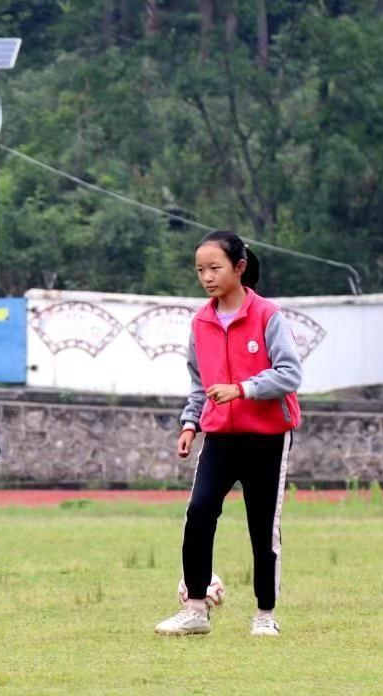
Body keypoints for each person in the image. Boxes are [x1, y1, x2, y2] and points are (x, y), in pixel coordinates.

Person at [155, 231, 302, 638]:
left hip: (268, 437)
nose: (206, 276)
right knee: (199, 513)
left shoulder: (268, 316)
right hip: (219, 437)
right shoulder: (200, 322)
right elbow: (199, 384)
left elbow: (290, 374)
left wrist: (243, 389)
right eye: (200, 269)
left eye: (215, 267)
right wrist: (190, 424)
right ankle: (195, 609)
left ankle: (264, 615)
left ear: (239, 268)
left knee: (261, 529)